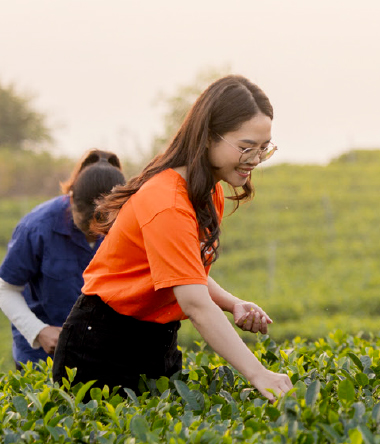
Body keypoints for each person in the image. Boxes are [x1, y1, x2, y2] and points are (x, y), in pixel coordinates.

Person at [50, 76, 291, 398]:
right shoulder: (167, 202)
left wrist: (233, 304)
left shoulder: (206, 192)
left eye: (264, 148)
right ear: (207, 137)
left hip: (155, 340)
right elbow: (195, 304)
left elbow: (184, 270)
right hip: (102, 346)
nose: (256, 160)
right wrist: (259, 374)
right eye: (246, 148)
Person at [0, 150, 124, 367]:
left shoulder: (128, 226)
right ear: (71, 199)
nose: (95, 234)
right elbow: (6, 290)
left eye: (103, 229)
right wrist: (39, 331)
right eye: (86, 226)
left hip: (101, 356)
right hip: (42, 358)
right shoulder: (36, 227)